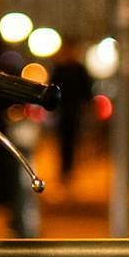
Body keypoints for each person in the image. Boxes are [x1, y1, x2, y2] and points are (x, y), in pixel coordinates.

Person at [51, 51, 93, 185]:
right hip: (65, 110)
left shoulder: (75, 69)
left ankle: (68, 169)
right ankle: (65, 169)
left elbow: (86, 89)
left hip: (73, 110)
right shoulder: (63, 69)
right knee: (64, 141)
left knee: (71, 140)